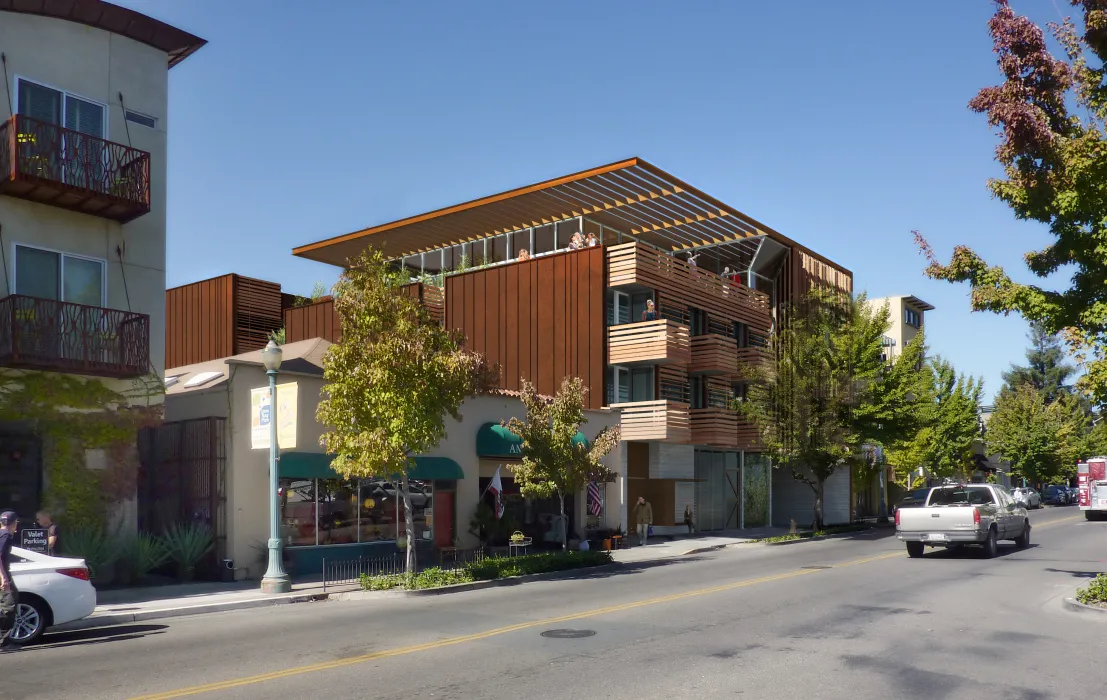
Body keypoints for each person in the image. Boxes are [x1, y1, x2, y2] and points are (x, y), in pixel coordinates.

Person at [0, 511, 19, 652]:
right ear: (13, 523)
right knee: (9, 606)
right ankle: (3, 642)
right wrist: (3, 577)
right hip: (2, 576)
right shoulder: (5, 535)